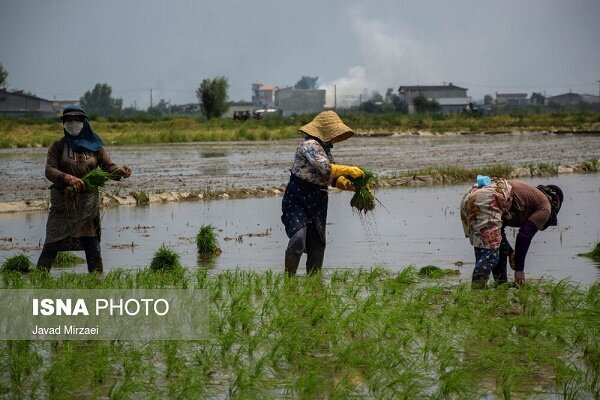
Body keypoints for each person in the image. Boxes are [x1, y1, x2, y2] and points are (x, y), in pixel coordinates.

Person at [36, 105, 131, 273]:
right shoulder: (58, 146)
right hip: (64, 203)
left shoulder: (95, 147)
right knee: (51, 244)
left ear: (84, 123)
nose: (72, 123)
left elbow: (108, 167)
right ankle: (39, 280)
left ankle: (96, 282)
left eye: (76, 120)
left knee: (92, 246)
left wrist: (121, 172)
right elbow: (49, 170)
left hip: (88, 204)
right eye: (68, 120)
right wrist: (67, 178)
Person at [281, 111, 364, 276]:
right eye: (334, 134)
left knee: (317, 245)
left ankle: (314, 285)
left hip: (317, 200)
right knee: (298, 237)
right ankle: (288, 282)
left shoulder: (325, 150)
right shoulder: (309, 146)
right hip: (298, 198)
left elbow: (330, 178)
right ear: (325, 132)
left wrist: (348, 185)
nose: (335, 138)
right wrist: (349, 169)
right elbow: (325, 168)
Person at [460, 178, 563, 288]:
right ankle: (476, 296)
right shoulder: (545, 208)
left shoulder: (528, 198)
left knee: (487, 250)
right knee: (489, 256)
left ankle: (501, 287)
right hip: (488, 198)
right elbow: (524, 236)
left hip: (472, 194)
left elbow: (499, 233)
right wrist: (519, 270)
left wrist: (510, 252)